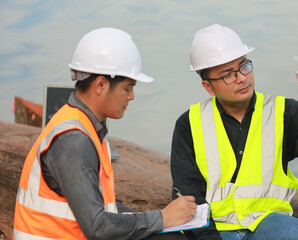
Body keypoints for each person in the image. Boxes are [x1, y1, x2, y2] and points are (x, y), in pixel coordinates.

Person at [13, 27, 197, 240]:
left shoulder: (82, 124)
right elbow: (98, 228)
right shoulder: (74, 141)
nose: (132, 96)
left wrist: (150, 218)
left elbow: (100, 209)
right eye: (128, 88)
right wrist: (162, 218)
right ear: (100, 84)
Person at [170, 24, 298, 240]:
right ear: (208, 86)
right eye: (228, 75)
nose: (242, 78)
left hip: (268, 223)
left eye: (244, 67)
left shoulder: (282, 112)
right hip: (215, 229)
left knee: (296, 233)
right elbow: (190, 195)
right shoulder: (189, 124)